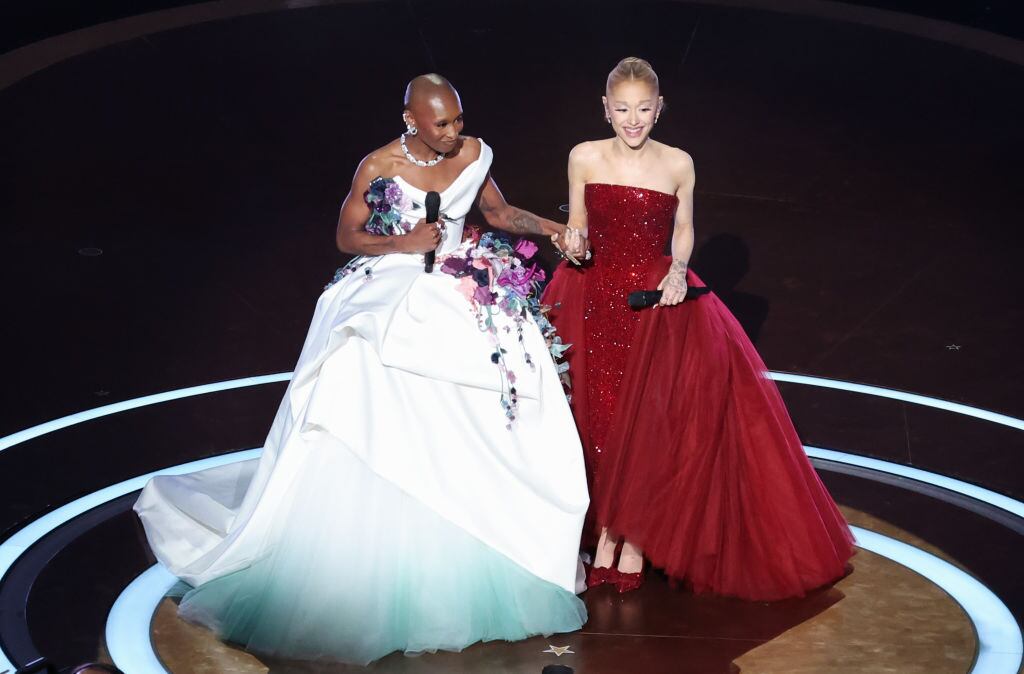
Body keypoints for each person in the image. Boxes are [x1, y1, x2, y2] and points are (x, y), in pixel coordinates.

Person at [134, 74, 589, 665]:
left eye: (456, 119)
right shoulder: (376, 166)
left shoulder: (475, 153)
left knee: (500, 382)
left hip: (461, 279)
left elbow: (498, 212)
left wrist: (556, 230)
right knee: (363, 365)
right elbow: (347, 236)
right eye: (440, 123)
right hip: (395, 278)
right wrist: (403, 244)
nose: (453, 132)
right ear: (411, 119)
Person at [542, 57, 855, 600]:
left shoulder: (679, 164)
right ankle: (604, 531)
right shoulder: (583, 156)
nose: (632, 120)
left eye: (643, 109)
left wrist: (680, 271)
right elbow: (577, 224)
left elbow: (683, 229)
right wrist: (572, 241)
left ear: (660, 108)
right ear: (605, 108)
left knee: (644, 422)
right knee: (595, 416)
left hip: (653, 298)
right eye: (621, 109)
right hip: (591, 294)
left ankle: (632, 537)